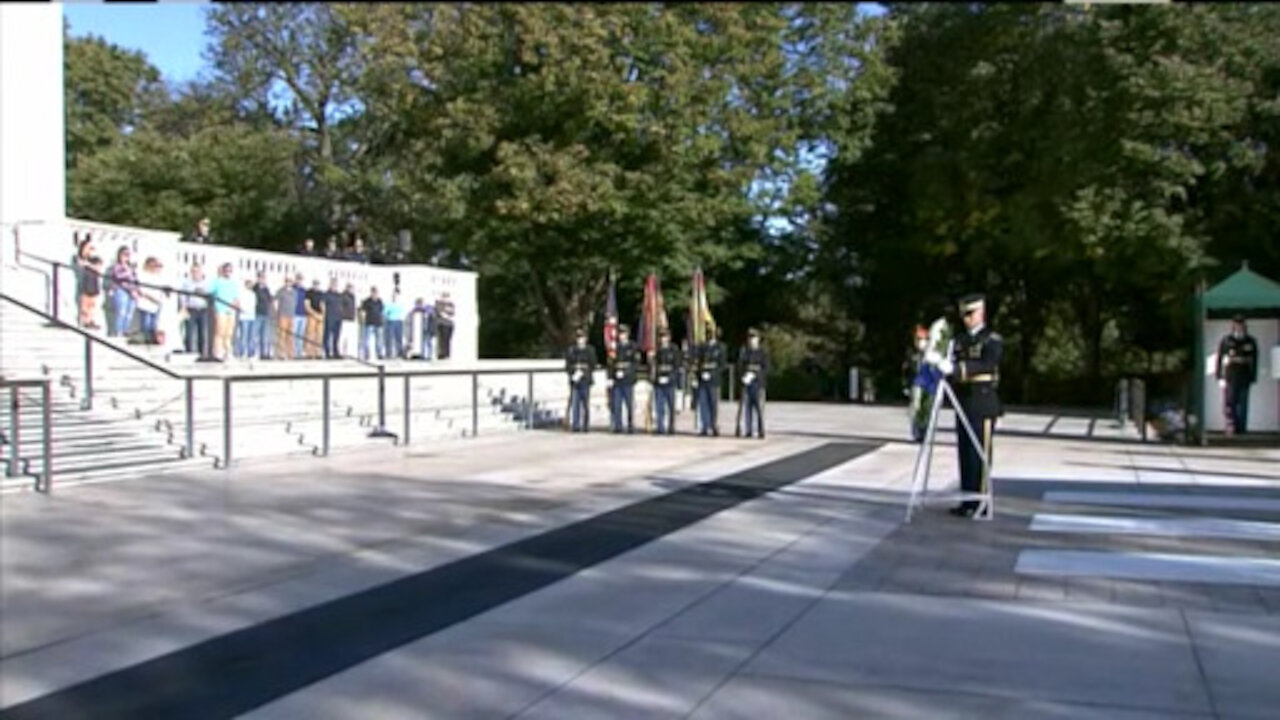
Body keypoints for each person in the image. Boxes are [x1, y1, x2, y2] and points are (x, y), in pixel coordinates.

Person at [931, 293, 1002, 519]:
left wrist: (958, 369)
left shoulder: (992, 339)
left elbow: (988, 364)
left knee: (979, 454)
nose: (967, 319)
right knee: (965, 453)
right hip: (963, 402)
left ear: (981, 313)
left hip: (982, 402)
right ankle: (968, 500)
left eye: (970, 314)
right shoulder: (959, 341)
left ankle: (981, 503)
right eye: (964, 314)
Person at [1216, 315, 1258, 436]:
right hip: (1230, 375)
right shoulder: (1227, 340)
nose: (1239, 327)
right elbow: (1220, 358)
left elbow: (1254, 360)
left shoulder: (1250, 341)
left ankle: (1242, 427)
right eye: (1236, 324)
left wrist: (1253, 376)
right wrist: (1219, 376)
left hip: (1244, 375)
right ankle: (1231, 426)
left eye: (1241, 324)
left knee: (1243, 402)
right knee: (1230, 402)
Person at [905, 325, 943, 442]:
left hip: (929, 385)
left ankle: (925, 430)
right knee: (915, 407)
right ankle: (917, 431)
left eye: (922, 339)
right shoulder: (912, 355)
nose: (920, 342)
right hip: (917, 384)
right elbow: (908, 371)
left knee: (928, 409)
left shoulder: (930, 355)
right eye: (918, 339)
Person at [736, 327, 769, 439]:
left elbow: (766, 368)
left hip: (758, 384)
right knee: (747, 408)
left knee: (759, 409)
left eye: (754, 338)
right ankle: (748, 429)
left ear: (758, 339)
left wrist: (755, 374)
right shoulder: (745, 352)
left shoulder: (762, 353)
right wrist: (744, 376)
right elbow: (740, 366)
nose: (751, 340)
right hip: (747, 383)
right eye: (750, 338)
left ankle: (760, 430)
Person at [694, 326, 727, 436]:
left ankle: (714, 426)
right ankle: (705, 426)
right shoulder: (702, 347)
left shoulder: (720, 348)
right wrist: (699, 374)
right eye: (709, 333)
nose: (710, 335)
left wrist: (711, 374)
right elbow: (698, 362)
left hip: (714, 381)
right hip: (703, 380)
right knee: (703, 404)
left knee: (713, 404)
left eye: (712, 333)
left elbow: (721, 365)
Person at [608, 324, 640, 433]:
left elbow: (635, 363)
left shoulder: (632, 347)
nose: (622, 336)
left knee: (629, 404)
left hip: (628, 379)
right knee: (616, 404)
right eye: (620, 334)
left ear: (627, 334)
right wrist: (611, 377)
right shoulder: (615, 347)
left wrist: (626, 372)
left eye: (623, 334)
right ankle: (618, 425)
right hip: (617, 379)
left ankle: (631, 425)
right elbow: (611, 363)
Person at [564, 327, 597, 432]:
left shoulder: (590, 350)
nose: (580, 340)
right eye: (578, 338)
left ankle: (585, 425)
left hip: (585, 379)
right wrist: (572, 373)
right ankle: (576, 425)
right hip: (575, 379)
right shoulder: (572, 350)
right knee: (575, 403)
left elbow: (593, 364)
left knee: (585, 403)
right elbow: (568, 365)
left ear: (585, 339)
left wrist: (584, 372)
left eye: (582, 337)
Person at [651, 329, 681, 435]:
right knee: (659, 406)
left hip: (670, 381)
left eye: (665, 337)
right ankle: (660, 427)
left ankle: (671, 427)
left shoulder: (674, 350)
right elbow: (655, 366)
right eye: (661, 337)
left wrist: (671, 378)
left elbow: (676, 366)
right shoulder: (658, 350)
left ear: (669, 337)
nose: (663, 339)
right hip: (659, 382)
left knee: (671, 406)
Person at [209, 263, 241, 361]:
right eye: (226, 270)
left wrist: (236, 304)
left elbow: (236, 297)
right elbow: (210, 292)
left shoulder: (233, 283)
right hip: (221, 309)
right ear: (223, 271)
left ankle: (228, 352)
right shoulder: (217, 281)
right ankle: (218, 352)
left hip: (231, 311)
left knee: (229, 333)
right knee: (220, 332)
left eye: (230, 270)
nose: (228, 272)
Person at [108, 246, 139, 339]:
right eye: (124, 254)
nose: (126, 256)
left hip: (132, 292)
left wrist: (136, 290)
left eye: (128, 254)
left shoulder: (131, 267)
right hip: (121, 290)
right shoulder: (116, 266)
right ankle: (119, 331)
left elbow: (135, 279)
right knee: (121, 311)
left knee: (129, 313)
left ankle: (126, 330)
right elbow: (119, 278)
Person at [73, 237, 103, 330]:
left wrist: (88, 264)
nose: (89, 250)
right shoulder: (78, 257)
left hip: (93, 282)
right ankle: (84, 321)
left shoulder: (94, 258)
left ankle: (91, 320)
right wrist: (87, 264)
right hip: (84, 282)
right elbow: (80, 264)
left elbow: (98, 267)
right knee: (84, 304)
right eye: (87, 248)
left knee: (92, 304)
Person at [136, 257, 166, 345]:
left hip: (156, 305)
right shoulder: (143, 276)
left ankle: (153, 341)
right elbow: (142, 291)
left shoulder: (158, 277)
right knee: (146, 325)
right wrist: (153, 299)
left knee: (153, 325)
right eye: (154, 265)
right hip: (146, 304)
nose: (155, 268)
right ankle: (145, 341)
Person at [180, 264, 209, 354]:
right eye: (193, 271)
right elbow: (183, 296)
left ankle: (202, 353)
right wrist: (183, 307)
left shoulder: (206, 283)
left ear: (201, 272)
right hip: (191, 309)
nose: (195, 273)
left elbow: (209, 296)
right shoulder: (186, 283)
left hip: (203, 309)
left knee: (202, 333)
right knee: (189, 332)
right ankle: (188, 351)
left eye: (197, 271)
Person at [275, 276, 298, 360]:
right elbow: (275, 301)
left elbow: (295, 302)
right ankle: (280, 354)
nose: (288, 283)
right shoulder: (281, 291)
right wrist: (277, 313)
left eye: (290, 281)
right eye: (287, 281)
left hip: (291, 316)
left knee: (290, 336)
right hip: (283, 315)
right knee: (282, 335)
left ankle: (290, 354)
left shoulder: (294, 292)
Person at [252, 271, 274, 359]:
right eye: (260, 277)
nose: (262, 279)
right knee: (254, 334)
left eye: (263, 278)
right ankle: (253, 352)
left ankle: (264, 353)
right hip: (257, 313)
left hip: (266, 314)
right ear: (258, 278)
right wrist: (260, 287)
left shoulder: (266, 289)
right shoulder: (255, 288)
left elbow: (269, 299)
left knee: (265, 335)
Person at [360, 287, 385, 360]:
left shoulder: (380, 301)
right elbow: (362, 311)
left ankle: (379, 354)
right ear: (371, 293)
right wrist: (362, 320)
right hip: (369, 323)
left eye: (376, 293)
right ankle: (366, 354)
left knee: (379, 340)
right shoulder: (366, 301)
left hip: (378, 323)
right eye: (373, 292)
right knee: (366, 340)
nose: (375, 294)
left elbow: (382, 311)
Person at [323, 277, 344, 359]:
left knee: (336, 336)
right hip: (329, 317)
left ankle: (336, 352)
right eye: (332, 284)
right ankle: (327, 352)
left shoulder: (339, 295)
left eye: (335, 284)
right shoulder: (326, 294)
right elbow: (323, 305)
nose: (334, 286)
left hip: (338, 318)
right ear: (330, 284)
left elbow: (341, 306)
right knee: (327, 336)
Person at [304, 279, 326, 359]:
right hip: (311, 316)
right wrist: (314, 314)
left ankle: (318, 352)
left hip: (320, 316)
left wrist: (323, 315)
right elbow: (307, 305)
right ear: (312, 284)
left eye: (317, 284)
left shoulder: (321, 293)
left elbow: (322, 305)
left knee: (319, 335)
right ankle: (309, 353)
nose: (316, 285)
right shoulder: (309, 292)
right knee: (310, 334)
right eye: (315, 284)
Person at [384, 290, 407, 359]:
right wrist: (388, 317)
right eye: (394, 296)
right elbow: (384, 313)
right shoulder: (389, 304)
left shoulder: (400, 305)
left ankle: (399, 353)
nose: (395, 298)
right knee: (389, 338)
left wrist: (401, 318)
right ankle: (389, 353)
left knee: (399, 338)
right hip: (391, 321)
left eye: (396, 296)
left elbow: (403, 313)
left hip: (399, 321)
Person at [339, 283, 358, 357]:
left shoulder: (353, 296)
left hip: (351, 319)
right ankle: (342, 352)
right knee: (343, 336)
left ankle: (349, 352)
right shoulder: (343, 296)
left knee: (350, 337)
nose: (352, 289)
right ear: (347, 288)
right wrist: (342, 315)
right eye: (350, 288)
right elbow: (340, 307)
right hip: (344, 319)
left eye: (352, 288)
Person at [435, 292, 455, 359]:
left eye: (447, 297)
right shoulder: (439, 303)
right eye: (444, 297)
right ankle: (441, 354)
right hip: (441, 323)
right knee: (441, 339)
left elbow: (452, 313)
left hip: (449, 324)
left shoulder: (451, 304)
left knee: (448, 339)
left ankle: (447, 354)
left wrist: (446, 313)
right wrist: (447, 313)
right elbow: (440, 313)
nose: (446, 299)